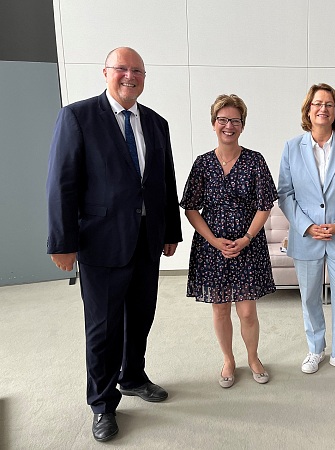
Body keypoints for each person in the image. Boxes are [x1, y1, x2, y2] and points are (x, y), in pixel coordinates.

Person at [46, 47, 182, 441]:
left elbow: (164, 181)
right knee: (103, 328)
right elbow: (61, 183)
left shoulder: (156, 123)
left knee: (140, 316)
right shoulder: (77, 116)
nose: (129, 76)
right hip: (100, 243)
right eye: (121, 69)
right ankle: (102, 404)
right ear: (105, 73)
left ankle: (133, 377)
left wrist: (170, 229)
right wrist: (62, 241)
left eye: (137, 70)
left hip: (146, 240)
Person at [180, 94, 277, 389]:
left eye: (235, 120)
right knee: (220, 308)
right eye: (222, 119)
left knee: (247, 310)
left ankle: (252, 357)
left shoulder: (255, 161)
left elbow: (265, 206)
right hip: (212, 249)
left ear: (242, 125)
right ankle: (228, 359)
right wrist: (214, 241)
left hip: (247, 246)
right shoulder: (202, 164)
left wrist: (246, 238)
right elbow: (191, 208)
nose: (228, 125)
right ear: (213, 124)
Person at [278, 83, 335, 377]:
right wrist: (307, 227)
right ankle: (315, 350)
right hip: (306, 238)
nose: (323, 108)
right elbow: (285, 194)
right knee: (310, 298)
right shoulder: (292, 147)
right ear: (308, 110)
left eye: (329, 104)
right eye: (317, 103)